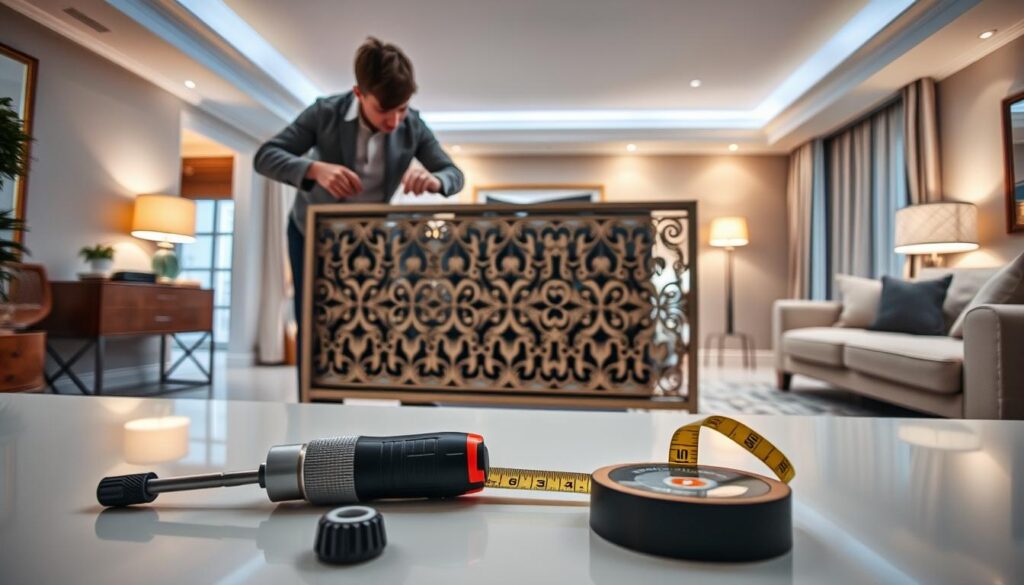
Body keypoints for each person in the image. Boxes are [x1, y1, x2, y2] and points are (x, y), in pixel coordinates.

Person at [254, 36, 464, 394]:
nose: (396, 120)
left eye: (402, 109)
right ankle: (318, 403)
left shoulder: (412, 124)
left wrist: (434, 180)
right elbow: (266, 156)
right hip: (311, 234)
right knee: (314, 322)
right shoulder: (324, 112)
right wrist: (314, 169)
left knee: (391, 314)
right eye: (386, 110)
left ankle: (404, 393)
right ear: (358, 93)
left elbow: (454, 175)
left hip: (372, 238)